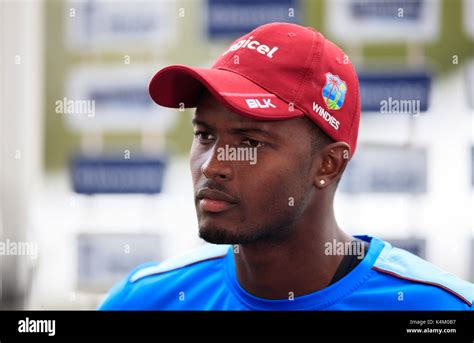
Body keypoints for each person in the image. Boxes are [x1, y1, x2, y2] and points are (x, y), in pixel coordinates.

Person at [99, 22, 473, 310]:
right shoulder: (144, 300)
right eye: (205, 136)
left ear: (327, 164)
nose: (213, 166)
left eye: (250, 143)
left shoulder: (438, 309)